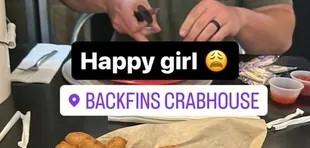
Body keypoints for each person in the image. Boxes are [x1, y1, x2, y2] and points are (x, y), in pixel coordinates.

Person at [60, 0, 295, 54]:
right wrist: (109, 3)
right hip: (126, 82)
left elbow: (281, 35)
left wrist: (239, 17)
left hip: (214, 86)